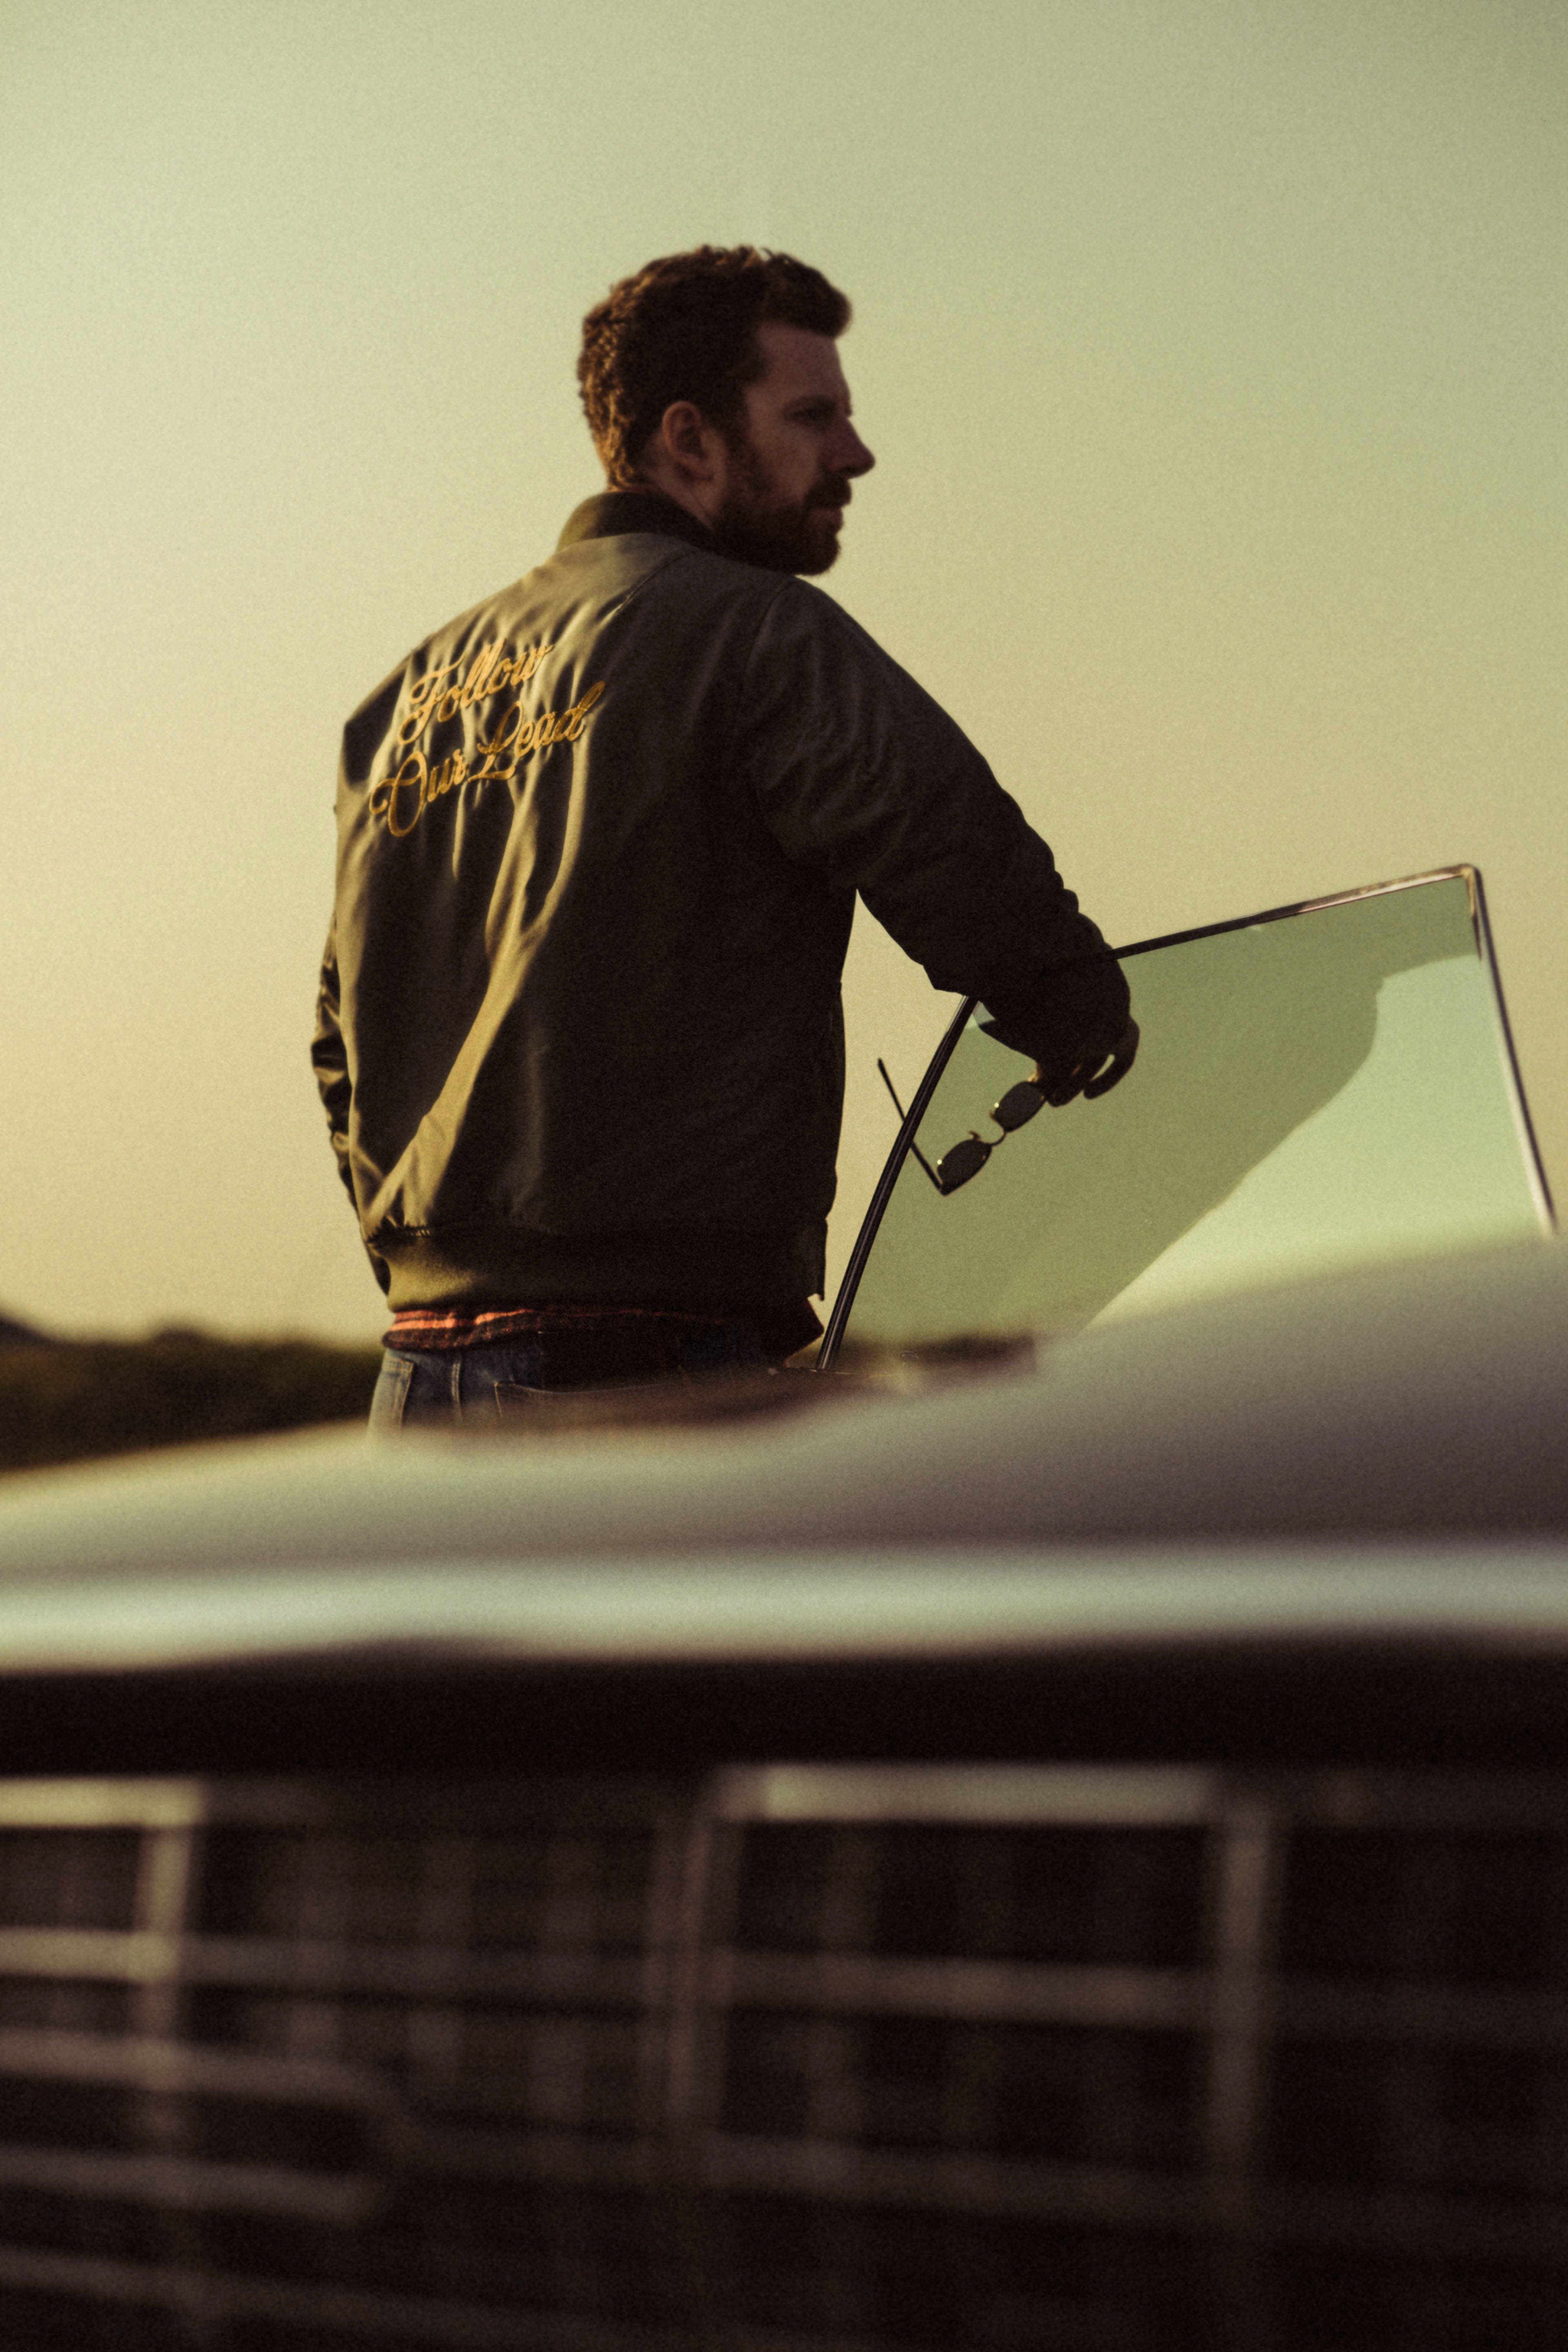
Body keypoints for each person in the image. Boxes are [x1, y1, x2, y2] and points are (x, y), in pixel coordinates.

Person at [312, 246, 1136, 1427]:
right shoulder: (757, 633)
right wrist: (1078, 1013)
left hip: (419, 1373)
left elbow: (338, 1040)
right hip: (650, 1364)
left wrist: (441, 1258)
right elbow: (946, 845)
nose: (855, 454)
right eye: (813, 417)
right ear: (690, 440)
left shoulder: (400, 705)